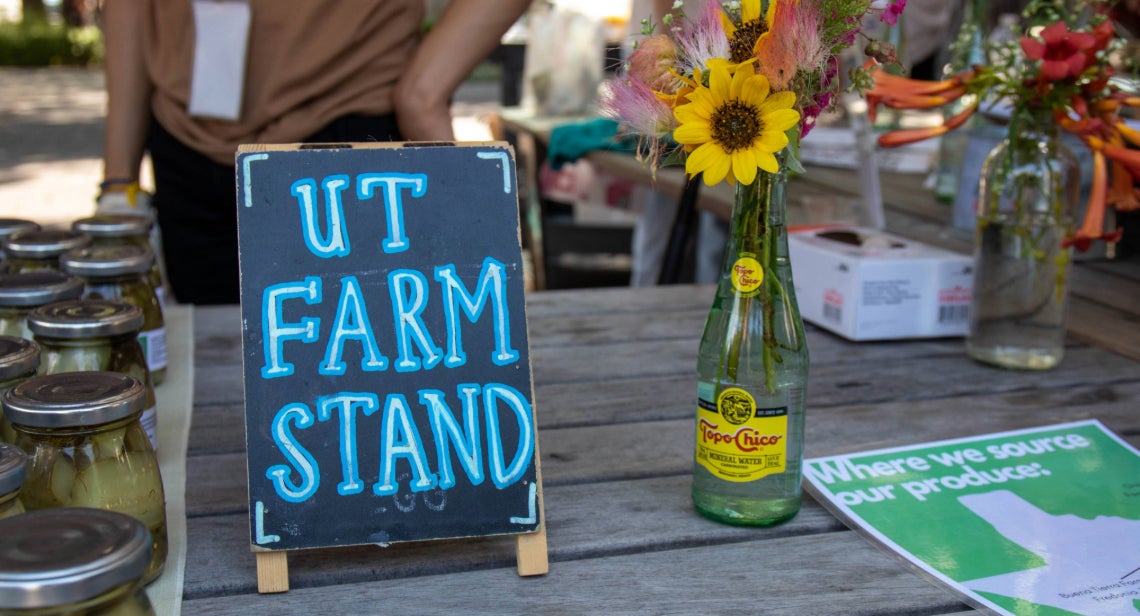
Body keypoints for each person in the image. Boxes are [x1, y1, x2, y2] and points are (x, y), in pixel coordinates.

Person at [99, 0, 532, 305]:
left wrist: (428, 89)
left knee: (367, 388)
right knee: (210, 382)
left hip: (349, 124)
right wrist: (119, 184)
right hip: (186, 135)